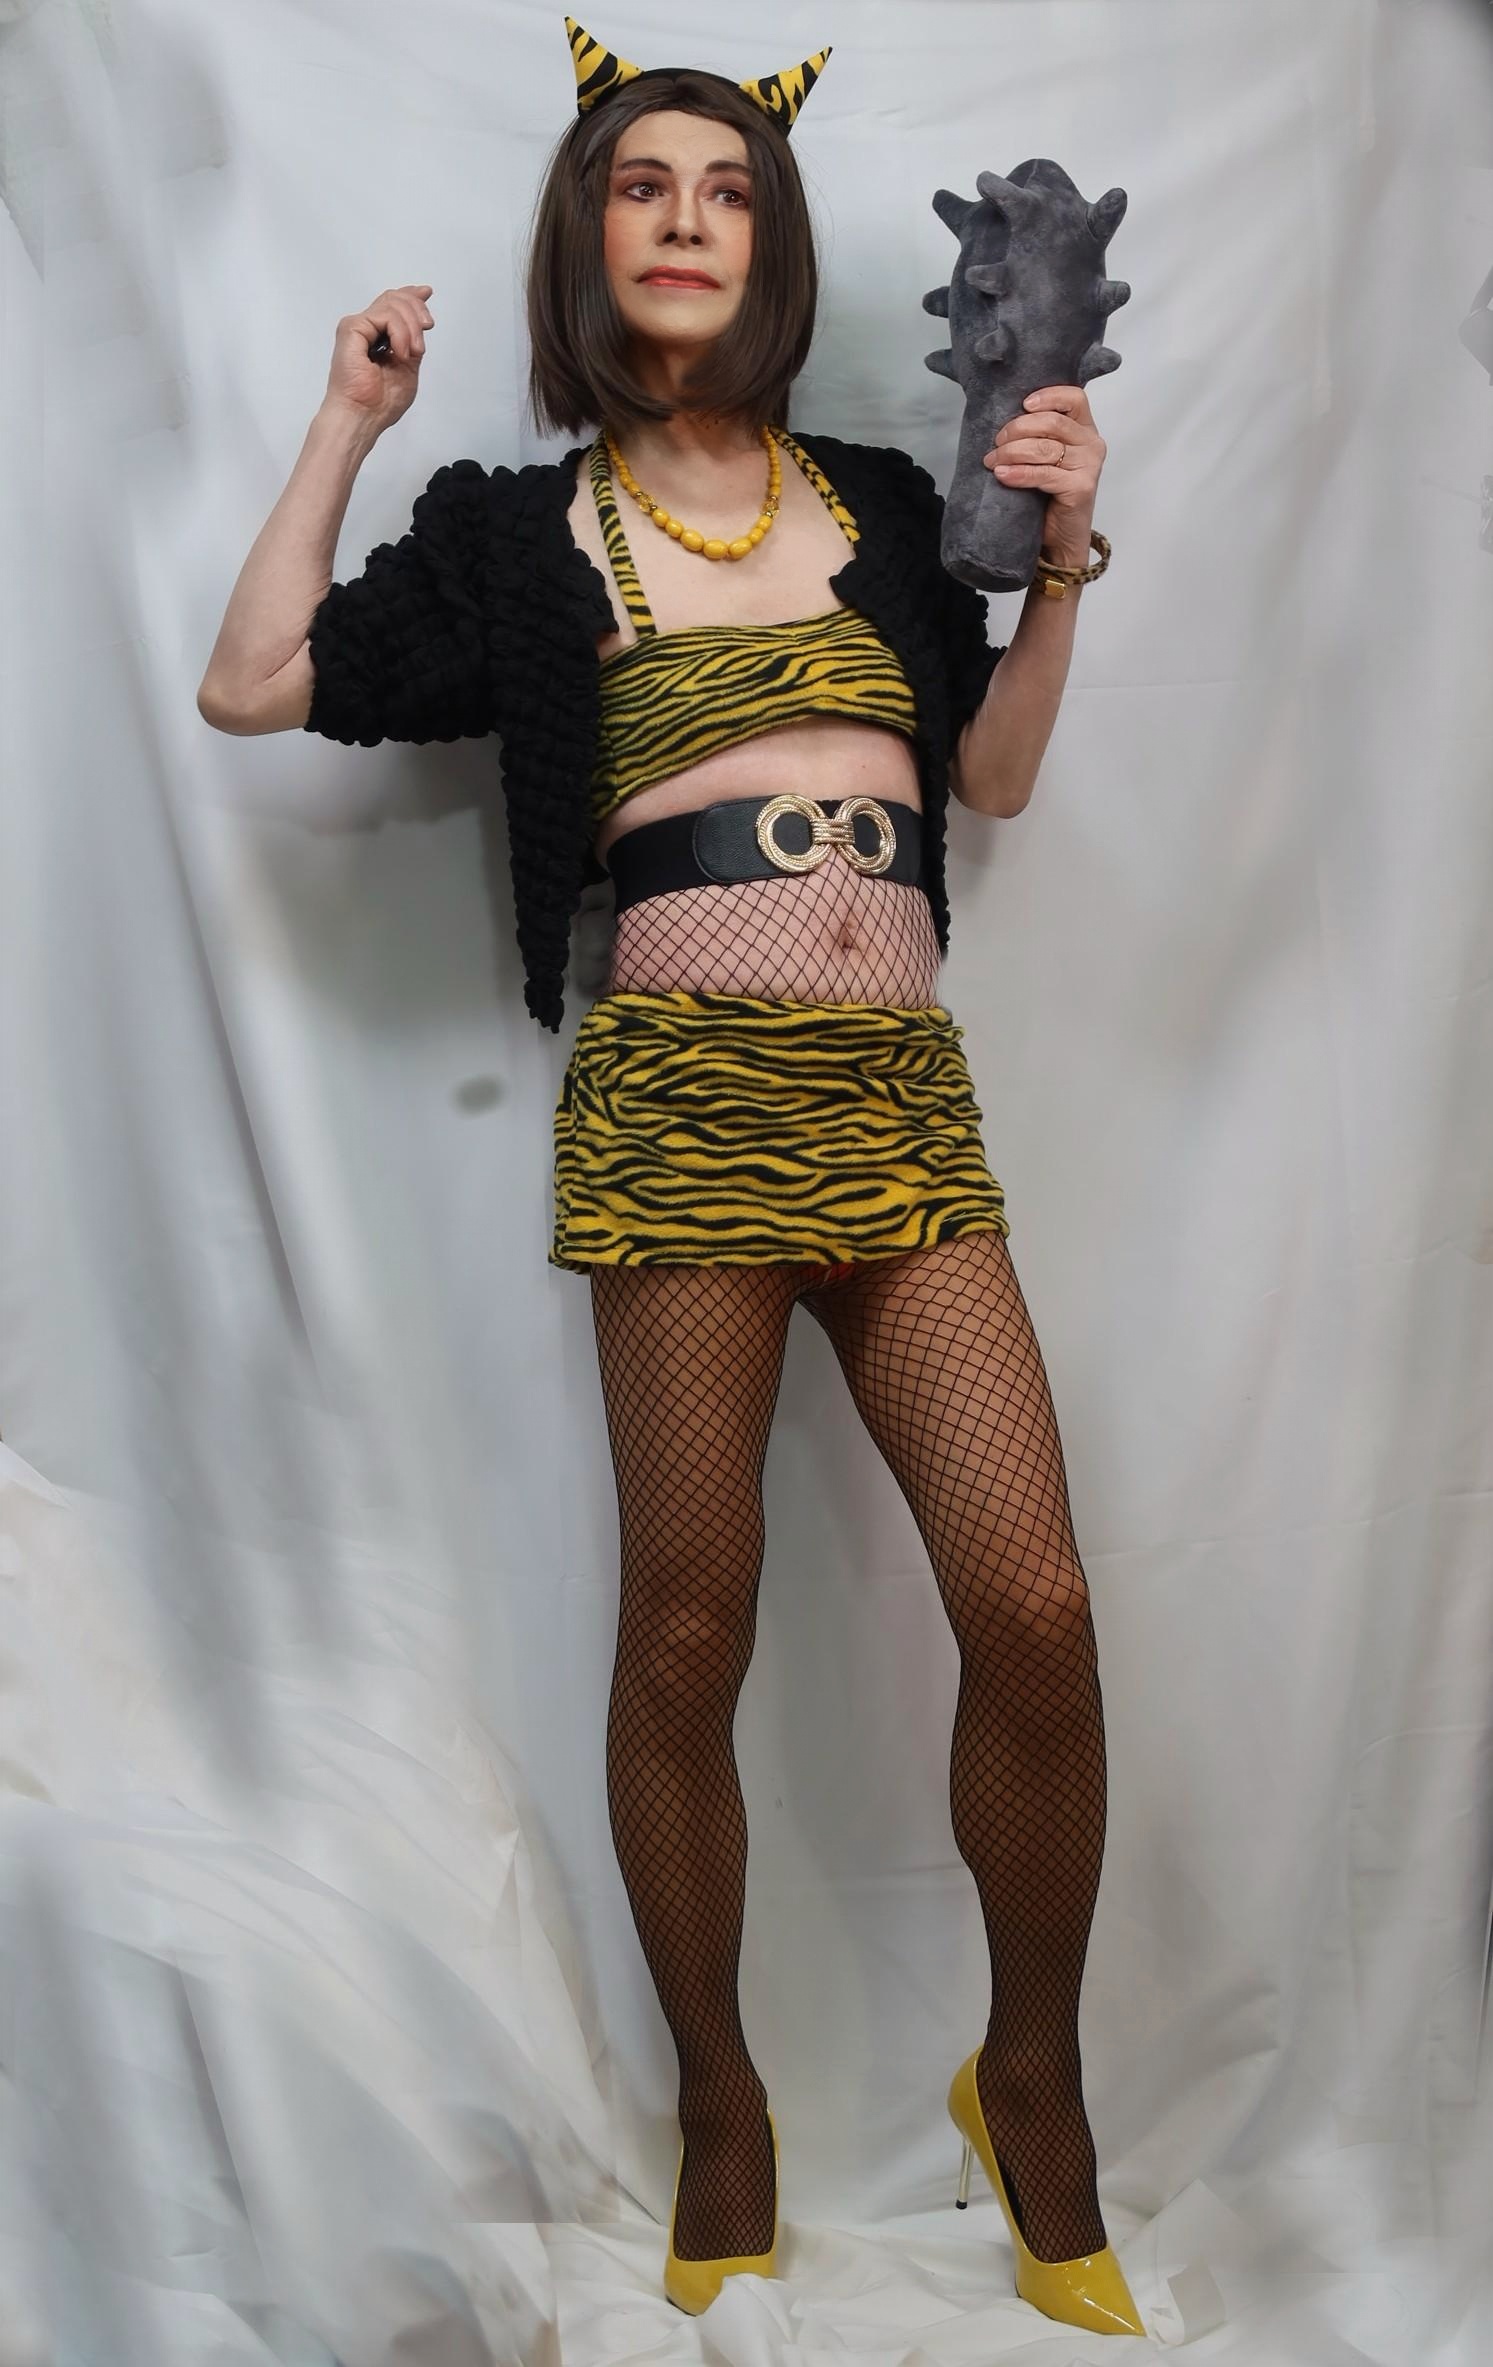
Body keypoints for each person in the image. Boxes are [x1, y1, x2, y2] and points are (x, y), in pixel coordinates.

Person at [196, 15, 1143, 2337]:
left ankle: (1030, 2074)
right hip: (680, 1109)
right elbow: (253, 680)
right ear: (590, 238)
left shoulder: (890, 507)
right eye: (645, 186)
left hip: (896, 1103)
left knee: (1034, 1607)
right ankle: (725, 2103)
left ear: (773, 241)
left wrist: (1065, 567)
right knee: (689, 1632)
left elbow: (994, 783)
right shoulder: (518, 536)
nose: (688, 220)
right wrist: (345, 420)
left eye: (725, 189)